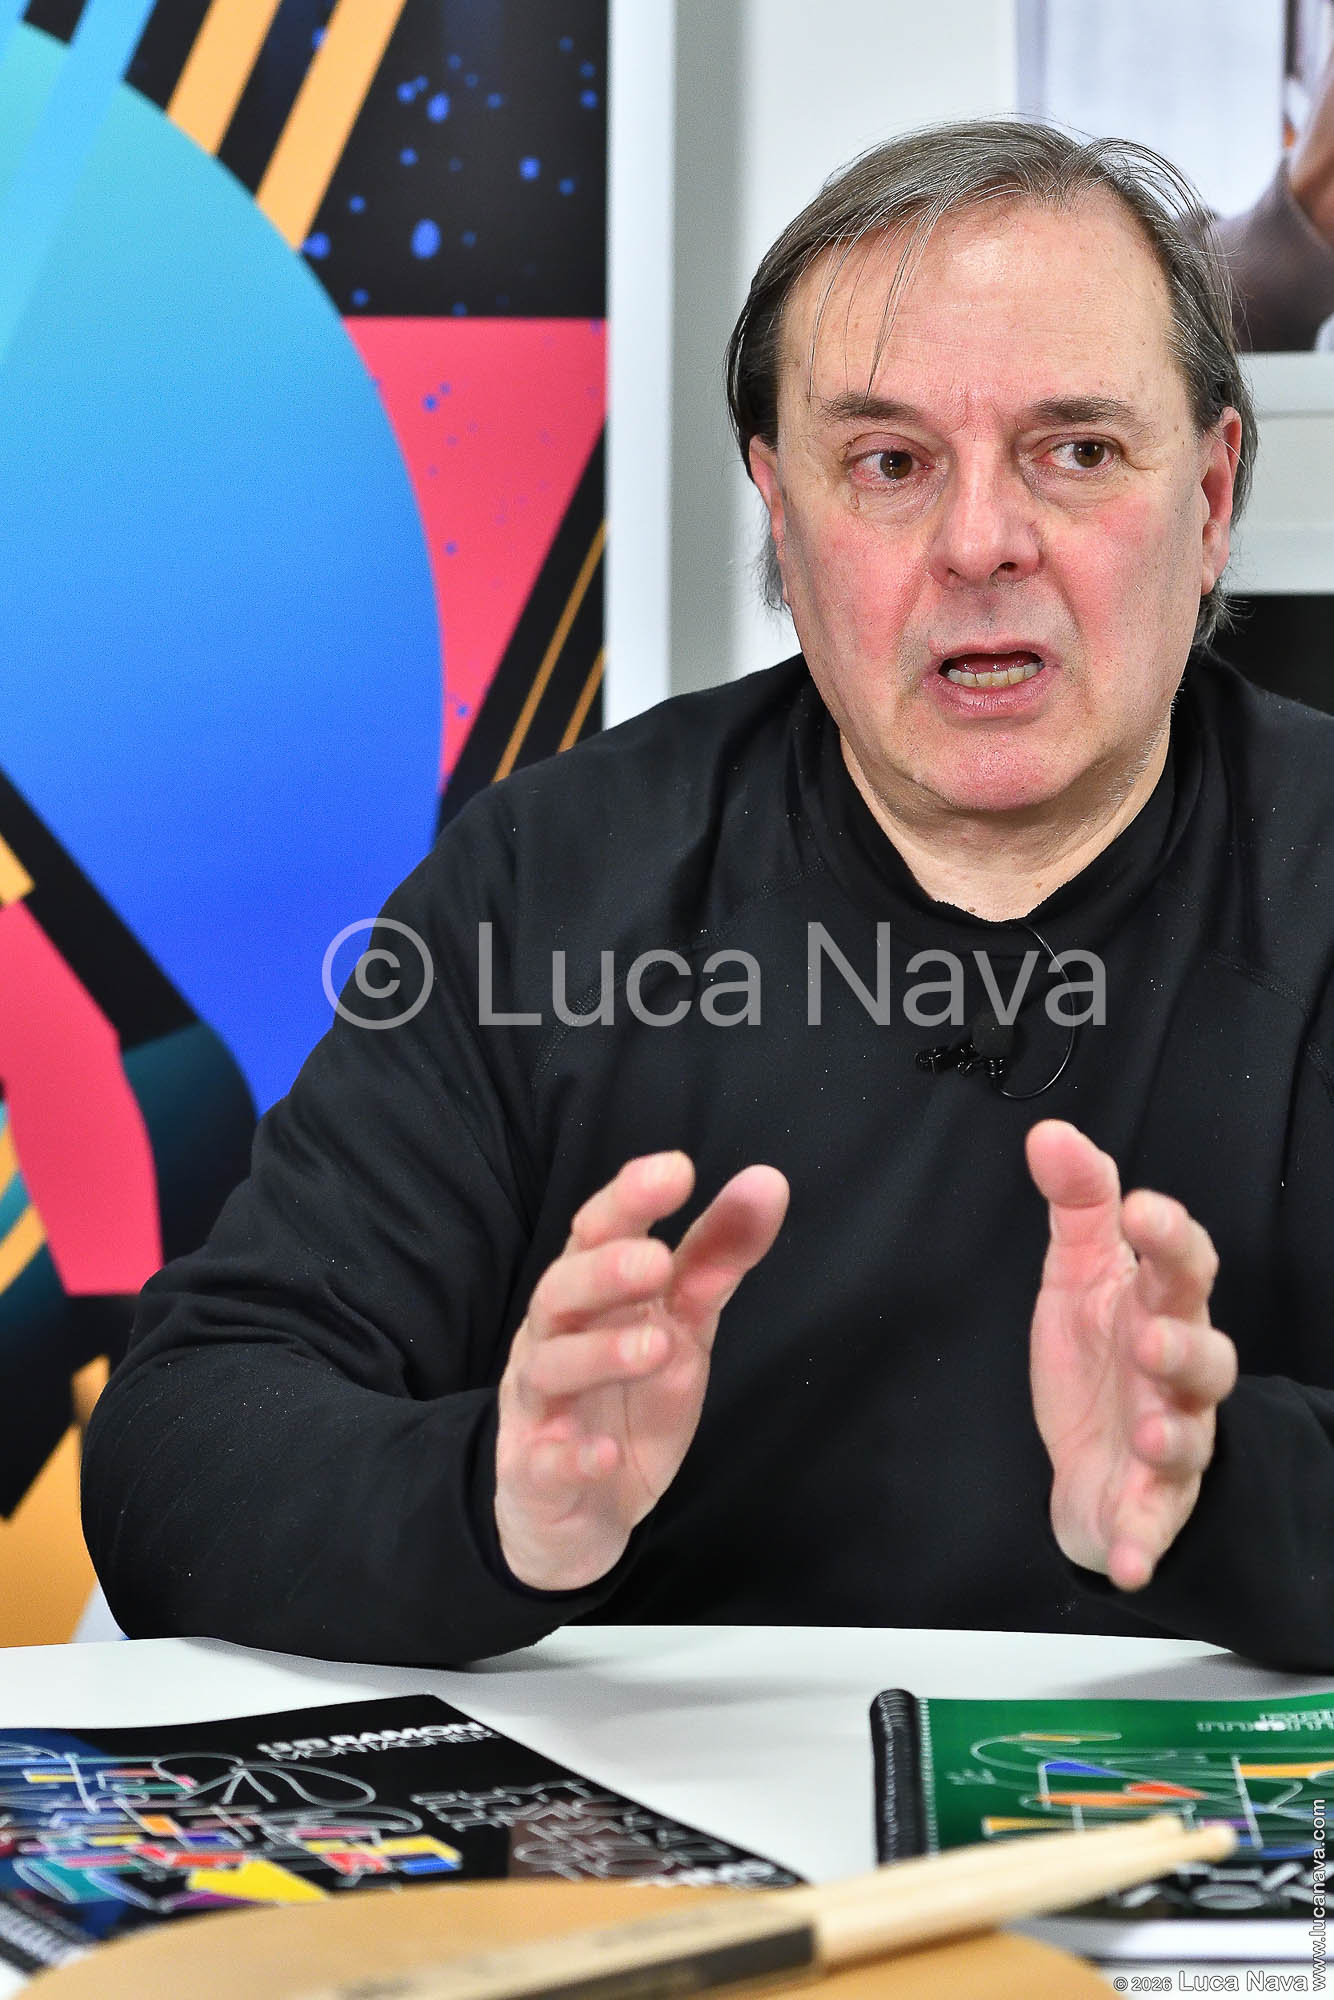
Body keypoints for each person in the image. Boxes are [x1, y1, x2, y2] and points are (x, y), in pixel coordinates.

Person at [84, 120, 1334, 1672]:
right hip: (650, 1822)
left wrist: (1219, 1494)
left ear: (1208, 497)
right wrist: (493, 1506)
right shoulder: (551, 883)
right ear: (778, 512)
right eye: (888, 464)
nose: (981, 544)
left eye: (1074, 451)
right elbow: (184, 1441)